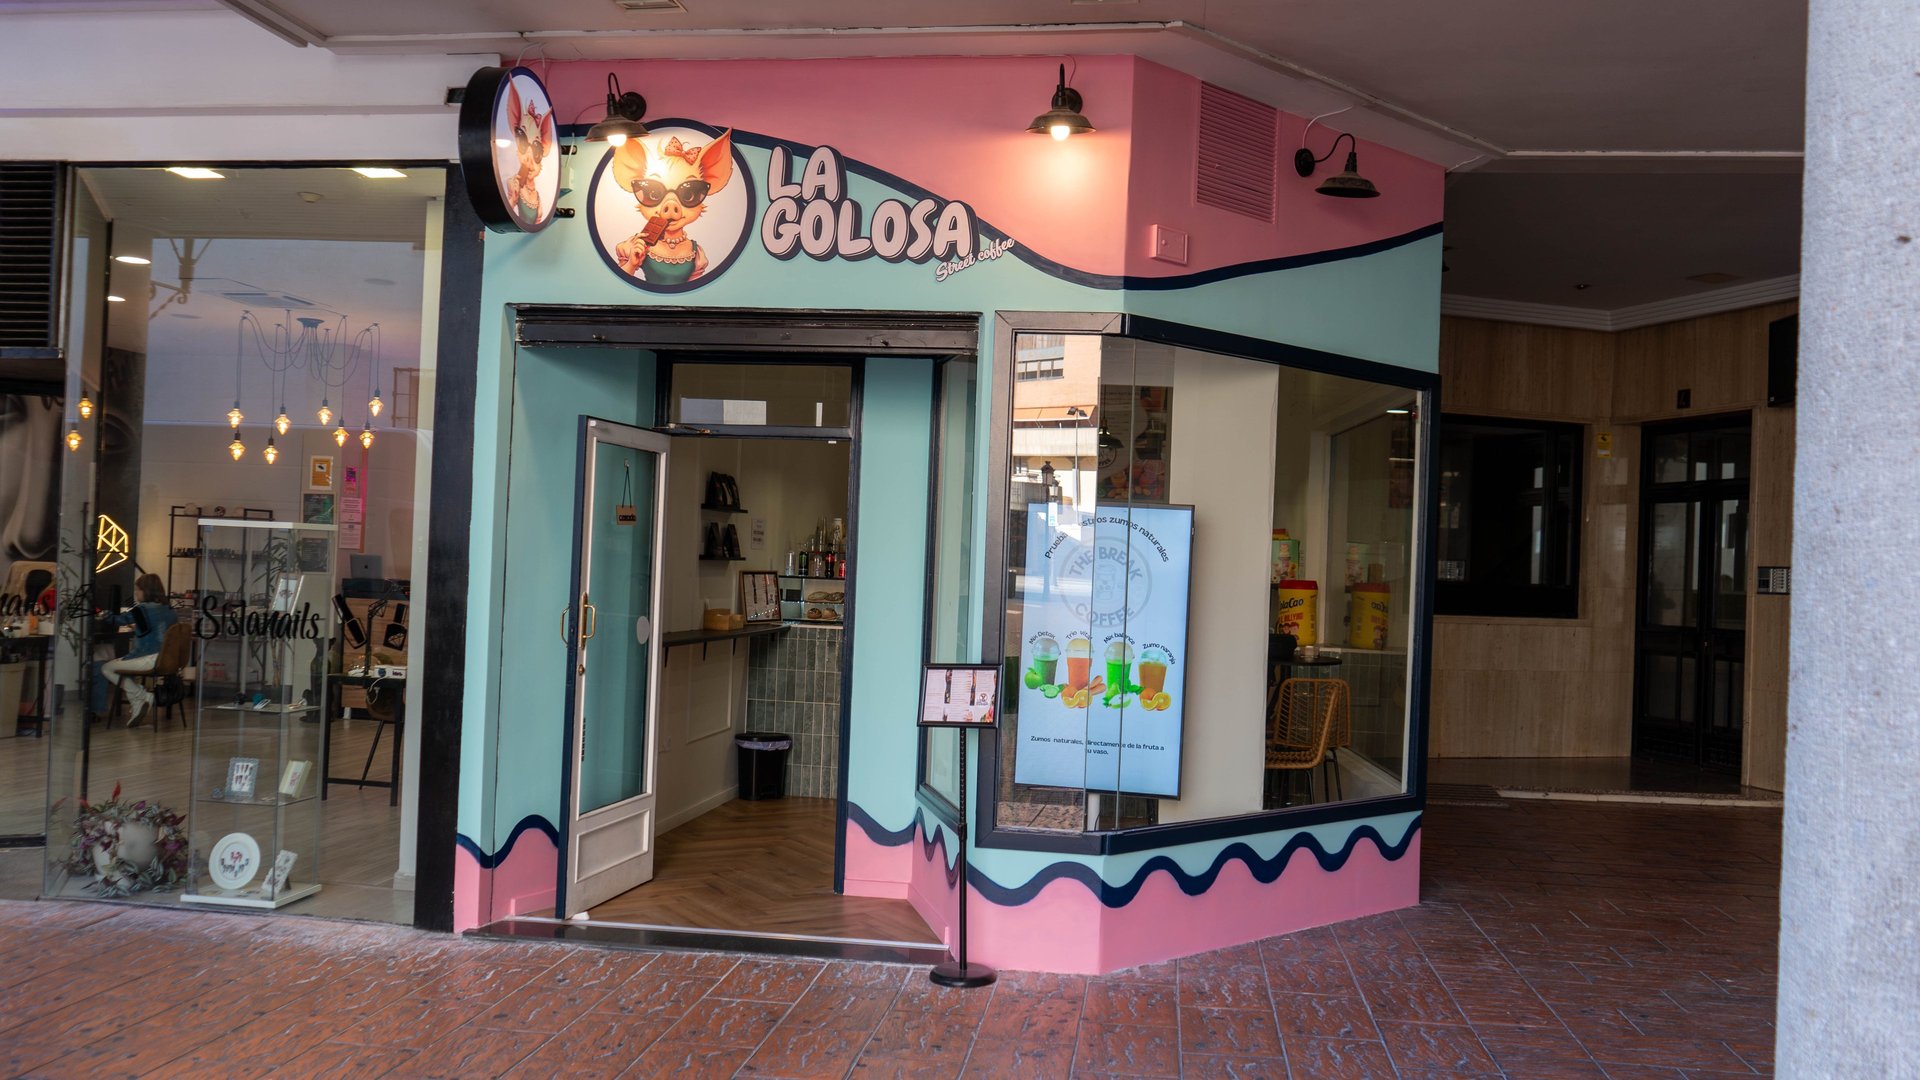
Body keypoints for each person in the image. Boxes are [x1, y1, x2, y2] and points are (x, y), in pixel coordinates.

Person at [95, 573, 177, 727]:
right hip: (166, 660)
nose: (136, 593)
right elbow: (159, 630)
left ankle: (144, 696)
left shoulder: (143, 609)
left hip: (147, 659)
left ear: (146, 591)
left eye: (137, 590)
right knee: (121, 668)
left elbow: (118, 620)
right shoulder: (170, 610)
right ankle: (137, 704)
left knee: (106, 668)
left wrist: (102, 614)